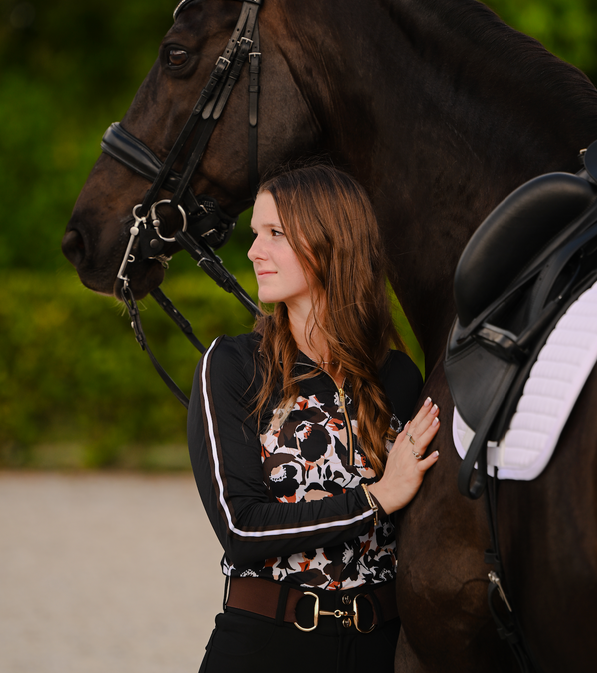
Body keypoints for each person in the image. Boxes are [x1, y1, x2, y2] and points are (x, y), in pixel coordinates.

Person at [188, 164, 440, 672]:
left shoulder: (397, 376)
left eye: (275, 234)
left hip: (382, 649)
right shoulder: (235, 365)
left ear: (332, 242)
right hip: (267, 647)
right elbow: (241, 528)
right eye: (256, 234)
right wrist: (378, 497)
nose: (255, 251)